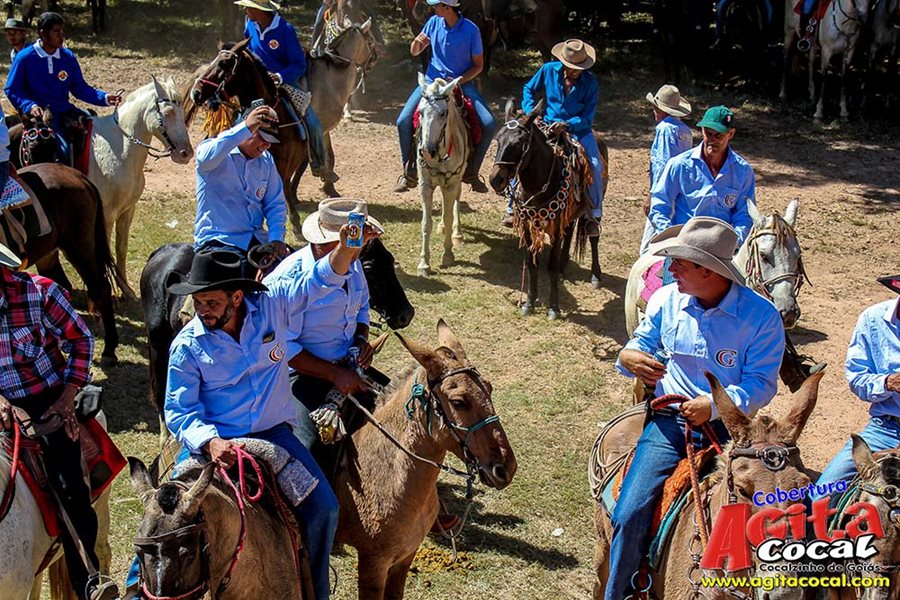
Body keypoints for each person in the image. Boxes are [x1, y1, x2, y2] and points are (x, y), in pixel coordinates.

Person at [162, 232, 371, 600]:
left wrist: (348, 248)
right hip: (213, 441)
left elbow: (320, 278)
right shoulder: (188, 345)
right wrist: (210, 442)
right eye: (198, 302)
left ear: (237, 297)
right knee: (167, 515)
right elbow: (180, 410)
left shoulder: (273, 308)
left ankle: (316, 592)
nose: (203, 310)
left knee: (323, 509)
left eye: (211, 301)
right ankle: (136, 590)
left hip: (273, 435)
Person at [609, 217, 785, 600]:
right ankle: (620, 592)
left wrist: (716, 406)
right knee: (629, 511)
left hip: (736, 433)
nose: (669, 270)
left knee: (782, 509)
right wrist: (629, 357)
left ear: (708, 270)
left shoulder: (762, 318)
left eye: (679, 264)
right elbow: (638, 346)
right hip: (671, 425)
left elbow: (761, 383)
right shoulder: (665, 300)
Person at [0, 242, 118, 600]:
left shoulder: (39, 294)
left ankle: (88, 578)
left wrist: (67, 398)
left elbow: (80, 340)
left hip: (46, 398)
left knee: (67, 483)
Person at [264, 198, 381, 450]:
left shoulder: (354, 263)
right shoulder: (289, 280)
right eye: (350, 244)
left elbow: (361, 308)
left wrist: (361, 339)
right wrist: (334, 374)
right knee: (306, 447)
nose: (356, 250)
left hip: (346, 366)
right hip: (298, 376)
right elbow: (284, 348)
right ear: (322, 242)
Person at [393, 0, 497, 194]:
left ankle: (471, 172)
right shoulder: (433, 22)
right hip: (432, 83)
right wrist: (417, 44)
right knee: (403, 121)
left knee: (489, 123)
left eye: (436, 5)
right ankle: (409, 172)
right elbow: (416, 49)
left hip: (462, 84)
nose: (433, 8)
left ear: (448, 7)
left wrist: (458, 81)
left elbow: (478, 65)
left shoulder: (471, 30)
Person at [502, 39, 604, 230]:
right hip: (545, 124)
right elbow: (528, 89)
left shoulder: (590, 83)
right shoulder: (548, 70)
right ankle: (512, 207)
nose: (573, 71)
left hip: (578, 130)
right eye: (569, 66)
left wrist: (567, 125)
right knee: (521, 155)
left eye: (577, 68)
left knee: (596, 166)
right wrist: (532, 113)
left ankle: (594, 214)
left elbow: (587, 117)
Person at [4, 12, 122, 166]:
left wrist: (105, 98)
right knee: (64, 151)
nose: (62, 36)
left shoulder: (68, 57)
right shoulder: (25, 57)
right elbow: (12, 89)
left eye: (62, 31)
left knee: (95, 134)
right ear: (43, 34)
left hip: (65, 111)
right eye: (56, 32)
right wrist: (30, 106)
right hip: (42, 118)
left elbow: (80, 89)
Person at [815, 274, 900, 487]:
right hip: (885, 429)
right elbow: (857, 378)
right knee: (823, 492)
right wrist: (888, 382)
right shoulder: (873, 320)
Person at [235, 0, 334, 182]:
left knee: (312, 122)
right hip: (257, 84)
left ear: (260, 10)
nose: (245, 10)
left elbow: (299, 64)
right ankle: (231, 153)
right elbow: (248, 52)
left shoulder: (285, 30)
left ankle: (319, 163)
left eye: (248, 7)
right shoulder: (249, 24)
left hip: (284, 83)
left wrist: (280, 76)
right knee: (237, 117)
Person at [648, 105, 755, 247]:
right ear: (702, 130)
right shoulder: (679, 165)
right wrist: (672, 238)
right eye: (708, 133)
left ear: (731, 134)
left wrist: (735, 242)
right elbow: (659, 206)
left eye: (719, 135)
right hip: (683, 243)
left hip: (722, 248)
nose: (712, 140)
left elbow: (744, 215)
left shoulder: (743, 171)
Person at [194, 104, 288, 258]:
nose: (267, 145)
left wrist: (276, 238)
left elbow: (275, 204)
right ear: (247, 131)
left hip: (256, 240)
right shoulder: (215, 153)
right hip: (219, 241)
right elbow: (205, 158)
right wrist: (245, 127)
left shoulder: (267, 161)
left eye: (271, 141)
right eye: (262, 138)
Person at [639, 84, 692, 255]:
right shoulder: (685, 130)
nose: (653, 109)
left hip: (665, 193)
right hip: (682, 193)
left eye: (656, 106)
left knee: (648, 247)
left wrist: (652, 195)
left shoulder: (664, 129)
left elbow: (662, 164)